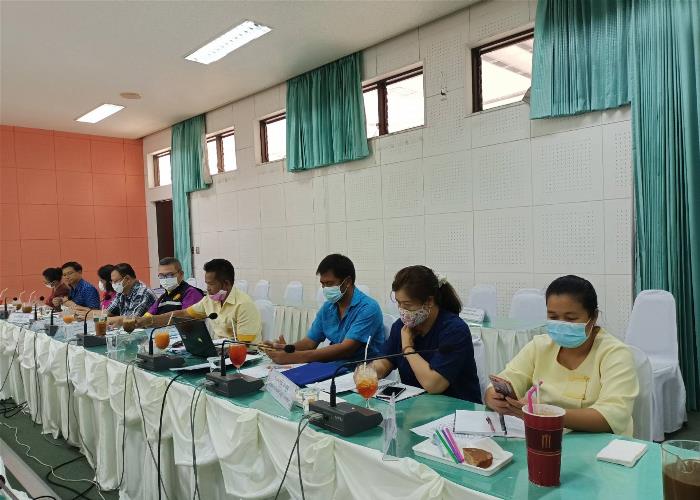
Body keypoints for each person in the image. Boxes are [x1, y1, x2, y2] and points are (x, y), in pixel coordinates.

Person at [484, 275, 639, 436]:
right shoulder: (540, 346)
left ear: (593, 317)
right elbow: (506, 380)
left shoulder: (615, 354)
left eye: (571, 318)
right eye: (553, 317)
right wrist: (493, 397)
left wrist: (543, 414)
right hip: (546, 436)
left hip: (602, 443)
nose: (561, 324)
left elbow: (611, 417)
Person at [369, 266, 481, 403]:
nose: (402, 310)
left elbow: (434, 385)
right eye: (398, 303)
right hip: (415, 405)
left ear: (429, 301)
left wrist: (407, 348)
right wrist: (370, 372)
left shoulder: (454, 330)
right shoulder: (401, 326)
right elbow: (385, 362)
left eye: (407, 304)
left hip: (456, 407)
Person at [264, 254, 384, 364]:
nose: (325, 289)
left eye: (329, 283)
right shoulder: (328, 307)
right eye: (323, 284)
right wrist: (286, 349)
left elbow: (346, 349)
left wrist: (295, 357)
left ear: (347, 282)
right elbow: (309, 343)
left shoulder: (368, 308)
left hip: (360, 372)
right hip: (332, 367)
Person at [140, 258, 261, 341]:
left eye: (211, 284)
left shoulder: (244, 305)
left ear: (226, 284)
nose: (207, 289)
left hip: (245, 359)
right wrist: (149, 320)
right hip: (219, 353)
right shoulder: (210, 300)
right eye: (206, 284)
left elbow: (244, 346)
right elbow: (184, 314)